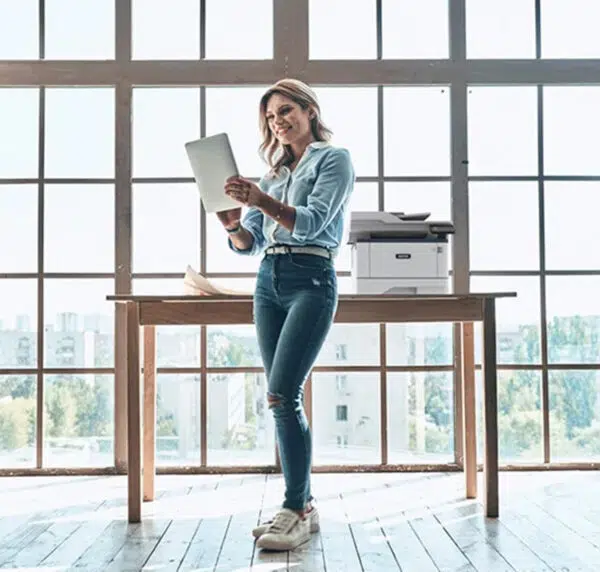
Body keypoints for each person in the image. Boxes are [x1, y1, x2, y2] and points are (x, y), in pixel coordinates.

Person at [217, 78, 355, 551]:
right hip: (268, 281)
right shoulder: (273, 173)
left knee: (282, 395)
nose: (279, 121)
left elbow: (313, 221)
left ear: (309, 110)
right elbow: (249, 244)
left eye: (286, 110)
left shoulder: (334, 160)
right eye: (271, 117)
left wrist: (259, 200)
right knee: (279, 398)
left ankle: (297, 507)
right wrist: (234, 224)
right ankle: (301, 506)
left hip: (311, 278)